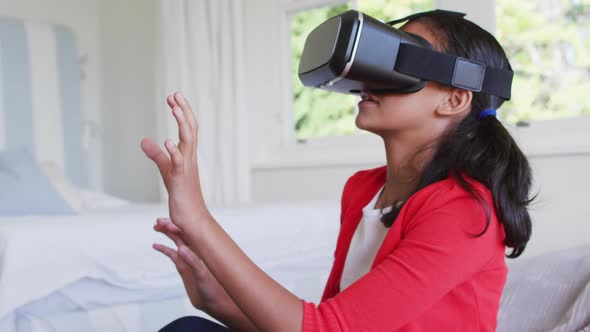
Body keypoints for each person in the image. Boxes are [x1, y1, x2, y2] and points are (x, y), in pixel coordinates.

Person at [141, 9, 533, 332]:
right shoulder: (363, 190)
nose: (370, 77)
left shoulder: (465, 209)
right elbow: (329, 321)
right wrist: (220, 303)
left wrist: (198, 219)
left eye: (401, 60)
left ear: (454, 99)